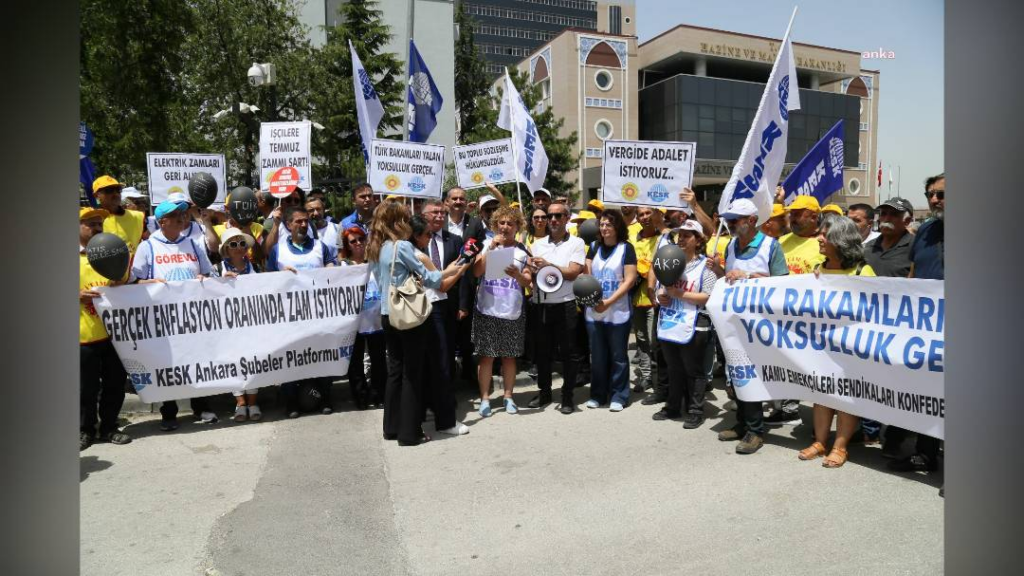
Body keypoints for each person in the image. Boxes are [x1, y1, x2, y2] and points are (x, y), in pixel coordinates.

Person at [367, 201, 465, 445]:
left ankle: (391, 428)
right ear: (398, 222)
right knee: (413, 373)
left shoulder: (377, 247)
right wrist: (453, 270)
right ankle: (410, 433)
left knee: (395, 372)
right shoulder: (401, 247)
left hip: (388, 313)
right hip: (407, 315)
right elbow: (431, 278)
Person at [131, 198, 218, 430]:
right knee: (169, 365)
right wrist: (146, 282)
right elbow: (133, 280)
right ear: (162, 221)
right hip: (163, 319)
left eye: (183, 213)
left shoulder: (192, 244)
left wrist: (204, 279)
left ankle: (203, 406)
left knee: (198, 362)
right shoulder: (148, 247)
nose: (182, 218)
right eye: (175, 215)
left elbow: (208, 273)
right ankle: (169, 413)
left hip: (194, 317)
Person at [797, 216, 877, 468]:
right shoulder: (817, 268)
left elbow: (875, 311)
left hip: (852, 348)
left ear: (841, 240)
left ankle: (840, 447)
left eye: (825, 235)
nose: (819, 239)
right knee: (821, 393)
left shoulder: (862, 272)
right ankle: (820, 442)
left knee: (846, 397)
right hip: (822, 345)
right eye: (820, 233)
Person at [715, 199, 789, 454]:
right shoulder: (731, 246)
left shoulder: (771, 246)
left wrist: (750, 278)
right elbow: (728, 280)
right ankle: (743, 422)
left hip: (759, 327)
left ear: (752, 220)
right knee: (736, 374)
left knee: (750, 376)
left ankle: (755, 431)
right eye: (730, 220)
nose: (731, 224)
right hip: (733, 324)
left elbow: (783, 285)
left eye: (736, 220)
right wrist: (719, 271)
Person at [888, 174, 944, 479]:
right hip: (926, 329)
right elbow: (913, 273)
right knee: (930, 393)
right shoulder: (925, 230)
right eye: (929, 194)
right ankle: (925, 454)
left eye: (941, 194)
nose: (934, 200)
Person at [266, 205, 339, 418]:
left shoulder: (319, 246)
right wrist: (281, 274)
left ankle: (324, 397)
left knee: (321, 357)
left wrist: (330, 267)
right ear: (288, 225)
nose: (304, 225)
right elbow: (267, 280)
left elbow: (332, 265)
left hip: (318, 314)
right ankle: (292, 403)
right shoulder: (278, 250)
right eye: (298, 221)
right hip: (290, 317)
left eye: (306, 221)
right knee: (292, 358)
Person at [652, 220, 719, 428]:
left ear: (698, 240)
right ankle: (673, 406)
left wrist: (680, 294)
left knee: (694, 369)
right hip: (671, 321)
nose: (681, 239)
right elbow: (660, 288)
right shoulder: (669, 261)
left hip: (694, 323)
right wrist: (660, 297)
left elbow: (708, 297)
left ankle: (695, 409)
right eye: (679, 235)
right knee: (674, 367)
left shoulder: (705, 266)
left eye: (687, 235)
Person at [408, 215, 472, 434]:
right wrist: (462, 270)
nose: (430, 237)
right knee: (442, 366)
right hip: (433, 310)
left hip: (420, 311)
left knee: (429, 365)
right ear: (416, 236)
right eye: (427, 234)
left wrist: (456, 265)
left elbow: (440, 275)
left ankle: (428, 410)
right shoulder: (420, 256)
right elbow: (442, 285)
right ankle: (446, 421)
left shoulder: (405, 252)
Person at [769, 195, 826, 426]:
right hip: (780, 315)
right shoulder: (782, 241)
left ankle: (820, 414)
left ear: (813, 216)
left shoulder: (824, 242)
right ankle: (787, 408)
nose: (791, 216)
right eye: (790, 212)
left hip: (811, 318)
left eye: (797, 213)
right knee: (782, 362)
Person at [526, 202, 587, 413]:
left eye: (558, 216)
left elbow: (572, 273)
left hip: (565, 305)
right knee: (542, 353)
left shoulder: (577, 243)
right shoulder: (537, 244)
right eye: (550, 216)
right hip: (541, 304)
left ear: (567, 218)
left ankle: (568, 396)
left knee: (569, 353)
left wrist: (547, 265)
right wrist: (529, 270)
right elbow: (533, 275)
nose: (553, 220)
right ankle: (544, 393)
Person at [471, 206, 532, 417]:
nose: (505, 227)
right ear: (495, 225)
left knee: (509, 357)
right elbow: (477, 271)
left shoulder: (522, 252)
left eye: (510, 223)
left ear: (517, 227)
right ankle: (485, 399)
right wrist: (490, 249)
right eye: (501, 223)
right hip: (487, 309)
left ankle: (508, 397)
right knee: (486, 356)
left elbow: (529, 283)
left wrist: (518, 275)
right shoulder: (487, 245)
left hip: (511, 311)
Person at [79, 207, 132, 450]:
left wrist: (119, 276)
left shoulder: (110, 251)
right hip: (83, 336)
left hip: (114, 335)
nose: (97, 227)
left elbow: (125, 281)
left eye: (99, 223)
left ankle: (109, 426)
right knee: (85, 388)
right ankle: (85, 429)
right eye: (90, 223)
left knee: (114, 383)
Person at [583, 210, 638, 412]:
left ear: (617, 228)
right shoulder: (594, 247)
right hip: (594, 310)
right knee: (597, 356)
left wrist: (609, 301)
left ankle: (619, 395)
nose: (605, 228)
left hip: (617, 310)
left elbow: (629, 280)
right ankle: (598, 394)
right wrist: (595, 299)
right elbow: (586, 274)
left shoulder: (626, 248)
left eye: (609, 225)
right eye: (602, 224)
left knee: (618, 356)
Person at [216, 228, 264, 422]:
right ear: (226, 248)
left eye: (242, 243)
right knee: (233, 362)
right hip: (228, 326)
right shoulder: (217, 268)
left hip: (252, 323)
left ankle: (253, 402)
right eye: (233, 244)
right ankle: (240, 403)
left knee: (254, 361)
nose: (238, 248)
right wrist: (219, 281)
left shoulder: (256, 267)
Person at [339, 226, 387, 409]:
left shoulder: (375, 262)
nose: (358, 243)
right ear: (347, 245)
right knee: (355, 362)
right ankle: (361, 396)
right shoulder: (342, 266)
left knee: (378, 360)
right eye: (353, 241)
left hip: (376, 320)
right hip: (354, 323)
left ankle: (379, 394)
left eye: (361, 239)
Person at [633, 207, 672, 402]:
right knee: (641, 339)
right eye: (641, 214)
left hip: (657, 300)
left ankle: (663, 381)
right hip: (636, 298)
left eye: (649, 213)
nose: (644, 217)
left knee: (654, 341)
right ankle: (646, 376)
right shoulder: (633, 237)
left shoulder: (665, 236)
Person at [93, 175, 147, 255]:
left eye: (118, 190)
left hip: (134, 266)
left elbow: (149, 241)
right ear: (97, 195)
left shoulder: (137, 216)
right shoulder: (91, 220)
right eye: (109, 190)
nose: (115, 194)